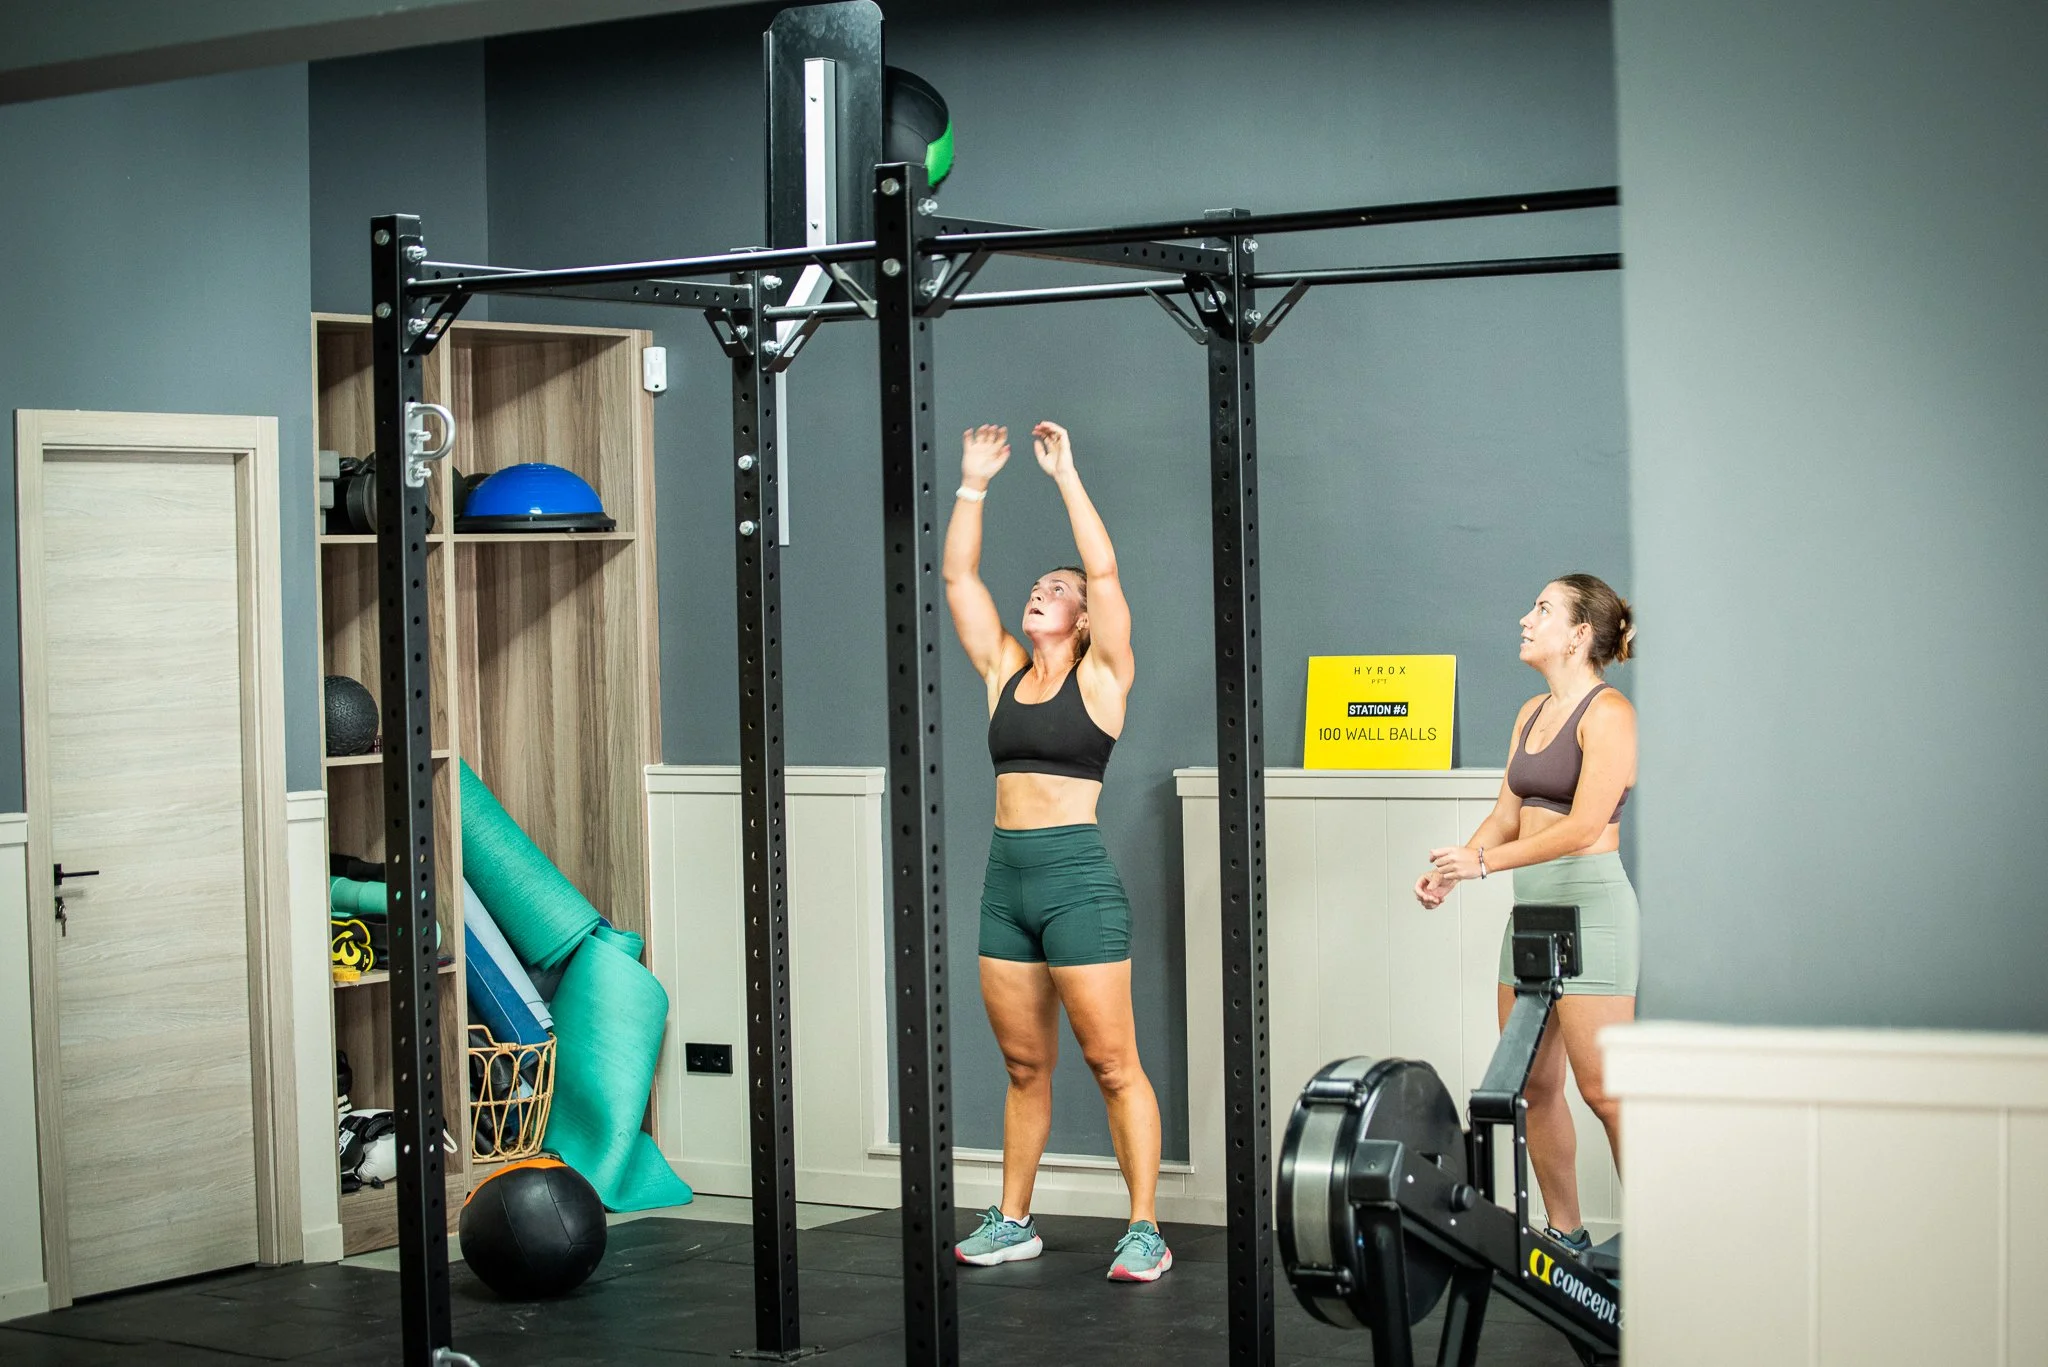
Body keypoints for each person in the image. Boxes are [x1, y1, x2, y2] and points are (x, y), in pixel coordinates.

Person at [941, 421, 1169, 1283]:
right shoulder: (1002, 668)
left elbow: (1104, 572)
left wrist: (1068, 476)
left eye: (1055, 589)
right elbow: (960, 575)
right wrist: (973, 485)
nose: (1040, 591)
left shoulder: (1104, 676)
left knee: (1113, 1064)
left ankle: (1144, 1226)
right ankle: (1014, 1218)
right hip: (1007, 881)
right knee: (1024, 1064)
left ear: (1080, 619)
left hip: (1077, 881)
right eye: (1036, 585)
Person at [1414, 574, 1637, 1257]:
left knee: (1606, 1090)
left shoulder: (1610, 715)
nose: (1525, 617)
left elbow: (1583, 825)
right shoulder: (1529, 713)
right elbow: (1507, 815)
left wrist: (1487, 865)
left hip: (1592, 905)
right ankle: (1566, 1233)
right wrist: (1459, 861)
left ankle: (1668, 1242)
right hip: (1531, 909)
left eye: (1542, 608)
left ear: (1577, 635)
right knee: (1534, 1084)